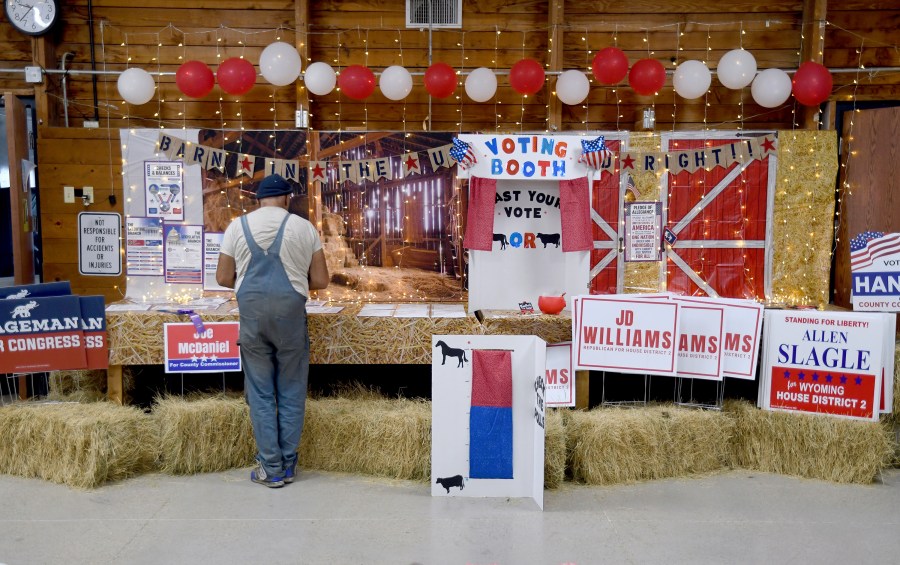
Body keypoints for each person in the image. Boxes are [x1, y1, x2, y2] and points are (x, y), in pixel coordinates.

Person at [216, 174, 329, 488]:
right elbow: (320, 281)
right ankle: (289, 465)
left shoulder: (236, 227)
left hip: (253, 319)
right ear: (287, 199)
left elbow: (224, 278)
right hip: (290, 317)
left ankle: (271, 469)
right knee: (291, 391)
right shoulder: (304, 228)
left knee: (262, 394)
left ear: (257, 200)